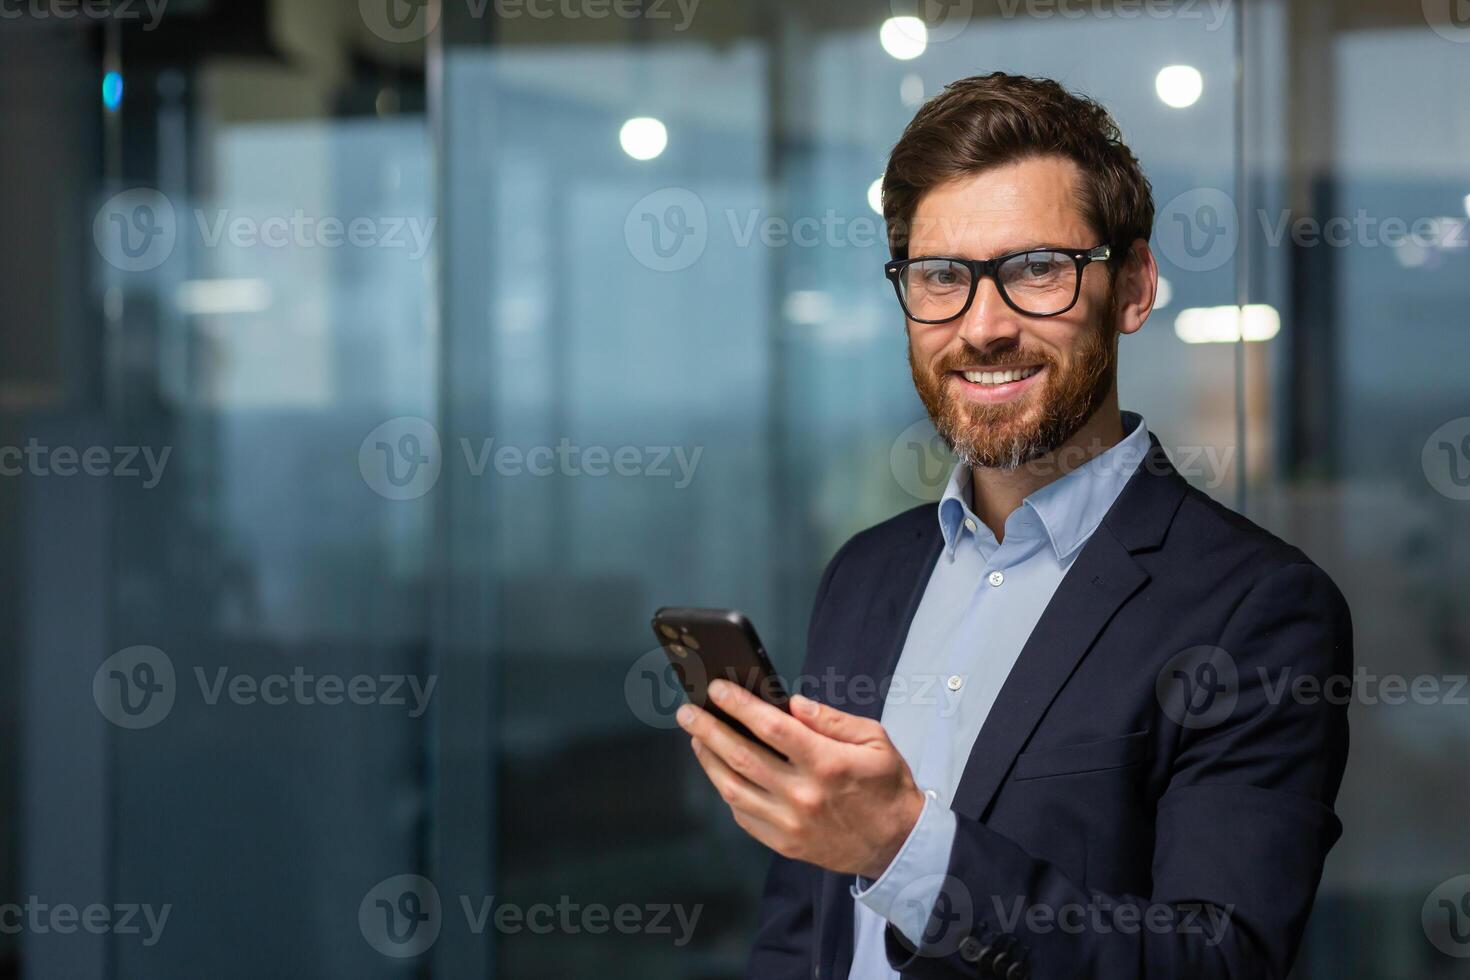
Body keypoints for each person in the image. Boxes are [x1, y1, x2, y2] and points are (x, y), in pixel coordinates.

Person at [675, 71, 1351, 980]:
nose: (982, 326)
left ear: (1136, 288)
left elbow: (1216, 962)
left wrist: (906, 850)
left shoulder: (1259, 609)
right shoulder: (866, 574)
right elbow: (805, 930)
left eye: (1037, 270)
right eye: (942, 277)